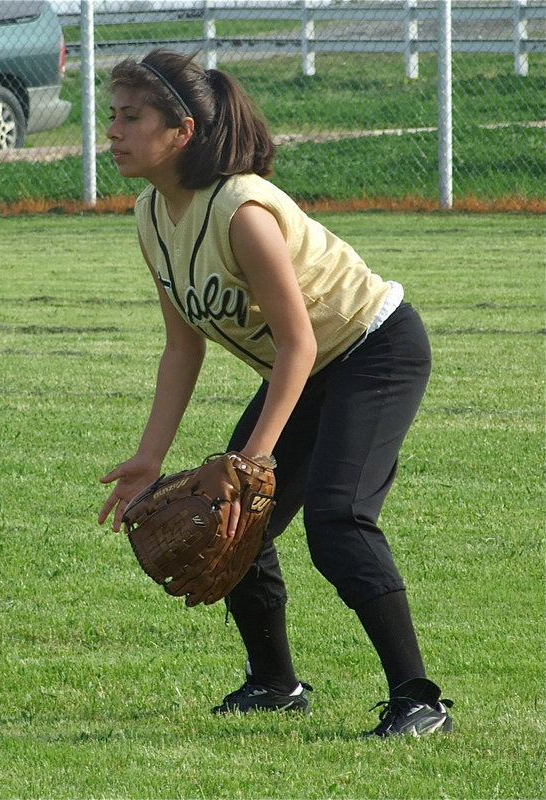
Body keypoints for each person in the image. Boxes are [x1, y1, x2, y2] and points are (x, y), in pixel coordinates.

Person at [97, 49, 453, 737]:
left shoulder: (241, 211)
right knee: (238, 520)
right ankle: (274, 684)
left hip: (373, 350)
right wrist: (149, 456)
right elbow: (182, 346)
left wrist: (252, 462)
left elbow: (299, 343)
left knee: (336, 519)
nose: (113, 131)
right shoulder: (150, 216)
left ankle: (419, 701)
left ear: (182, 132)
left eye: (131, 117)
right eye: (111, 115)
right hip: (311, 367)